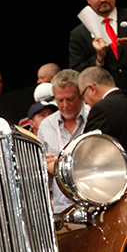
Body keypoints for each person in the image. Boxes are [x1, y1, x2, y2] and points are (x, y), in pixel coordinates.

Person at [78, 66, 127, 174]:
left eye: (82, 95)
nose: (85, 101)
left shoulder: (101, 110)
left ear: (92, 89)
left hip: (120, 182)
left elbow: (88, 153)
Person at [37, 69, 90, 213]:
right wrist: (45, 167)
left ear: (81, 95)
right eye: (60, 100)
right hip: (63, 207)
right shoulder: (46, 125)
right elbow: (39, 174)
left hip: (93, 201)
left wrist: (60, 166)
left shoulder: (94, 117)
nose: (65, 105)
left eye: (70, 99)